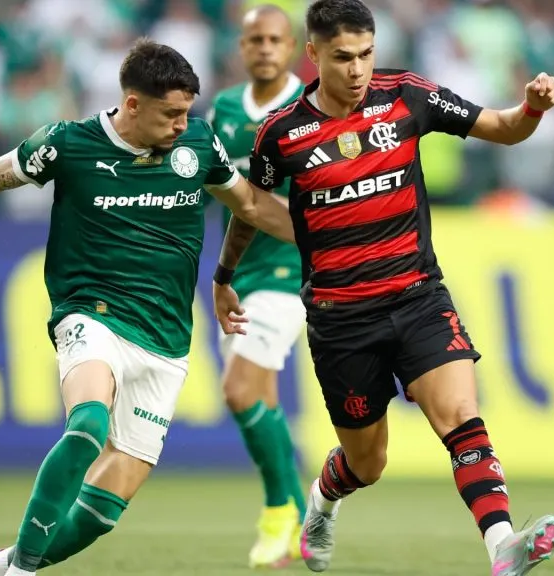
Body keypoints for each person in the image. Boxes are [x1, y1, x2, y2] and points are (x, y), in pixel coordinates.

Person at [0, 39, 295, 576]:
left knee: (102, 515)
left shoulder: (198, 148)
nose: (183, 124)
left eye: (188, 112)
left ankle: (3, 565)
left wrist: (329, 234)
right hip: (91, 314)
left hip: (165, 340)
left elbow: (251, 205)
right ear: (132, 104)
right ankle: (20, 571)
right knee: (88, 423)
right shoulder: (68, 144)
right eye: (172, 113)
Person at [210, 1, 554, 575]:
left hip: (418, 297)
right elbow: (250, 208)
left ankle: (503, 545)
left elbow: (502, 128)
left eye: (366, 55)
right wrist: (224, 277)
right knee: (367, 462)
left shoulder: (407, 95)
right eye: (343, 57)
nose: (357, 69)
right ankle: (322, 503)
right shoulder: (282, 133)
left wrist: (532, 107)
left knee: (460, 416)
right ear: (314, 54)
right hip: (341, 320)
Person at [206, 4, 308, 568]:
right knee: (260, 400)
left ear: (291, 47)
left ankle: (277, 513)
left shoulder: (310, 108)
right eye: (255, 40)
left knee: (238, 390)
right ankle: (301, 515)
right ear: (242, 48)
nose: (265, 48)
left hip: (291, 272)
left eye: (275, 39)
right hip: (236, 273)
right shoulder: (222, 108)